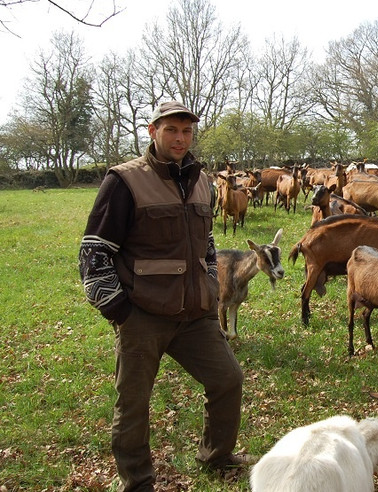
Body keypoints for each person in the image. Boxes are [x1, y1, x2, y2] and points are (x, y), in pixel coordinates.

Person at [79, 101, 252, 491]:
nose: (180, 138)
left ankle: (216, 454)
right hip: (143, 314)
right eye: (171, 130)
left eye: (187, 131)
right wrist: (120, 310)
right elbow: (93, 252)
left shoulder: (201, 181)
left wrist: (209, 283)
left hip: (196, 314)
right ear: (152, 131)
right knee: (134, 404)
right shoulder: (124, 181)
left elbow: (206, 243)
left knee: (228, 379)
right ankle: (137, 481)